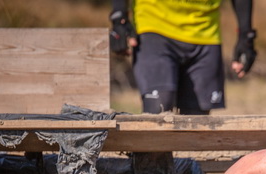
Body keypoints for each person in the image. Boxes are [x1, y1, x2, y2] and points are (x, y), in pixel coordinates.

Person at [109, 0, 257, 115]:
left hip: (206, 30)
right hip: (154, 24)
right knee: (158, 110)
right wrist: (119, 15)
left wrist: (246, 35)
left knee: (197, 123)